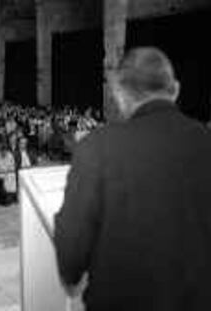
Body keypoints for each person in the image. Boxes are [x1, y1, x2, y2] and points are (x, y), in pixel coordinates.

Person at [54, 47, 211, 311]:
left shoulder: (96, 148)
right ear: (175, 89)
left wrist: (70, 270)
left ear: (118, 94)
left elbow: (72, 252)